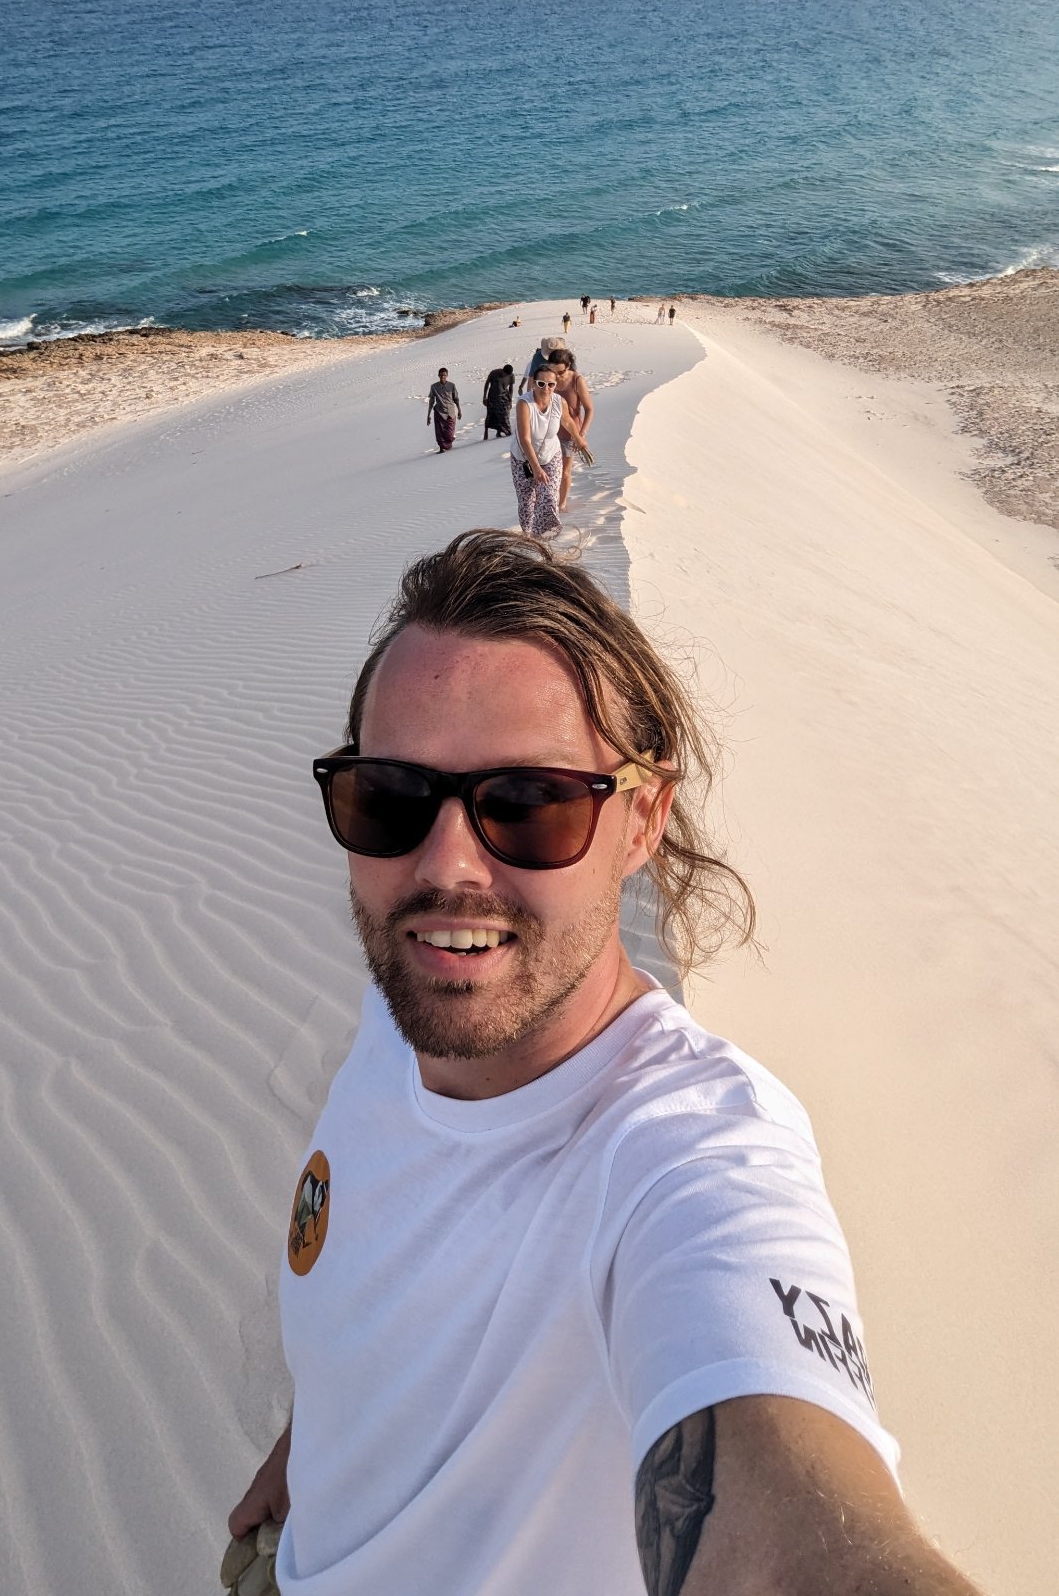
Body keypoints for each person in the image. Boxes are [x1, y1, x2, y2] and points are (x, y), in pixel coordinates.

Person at [229, 530, 982, 1596]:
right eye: (389, 795)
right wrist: (317, 1446)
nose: (445, 866)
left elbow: (785, 1523)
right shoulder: (408, 1011)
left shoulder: (689, 1158)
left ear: (642, 819)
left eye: (530, 804)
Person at [510, 367, 588, 537]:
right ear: (533, 385)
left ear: (556, 385)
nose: (546, 388)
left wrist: (578, 437)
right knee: (527, 502)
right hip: (523, 459)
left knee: (549, 497)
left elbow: (567, 421)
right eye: (541, 383)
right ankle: (528, 535)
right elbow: (525, 439)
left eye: (551, 384)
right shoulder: (525, 404)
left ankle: (546, 537)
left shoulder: (559, 402)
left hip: (551, 455)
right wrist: (536, 468)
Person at [546, 347, 594, 513]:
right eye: (554, 371)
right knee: (549, 471)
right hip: (548, 433)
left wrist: (581, 434)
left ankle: (562, 503)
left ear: (568, 366)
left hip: (569, 434)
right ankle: (550, 501)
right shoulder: (546, 378)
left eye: (561, 372)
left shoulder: (576, 380)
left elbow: (589, 409)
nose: (558, 376)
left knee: (565, 472)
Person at [426, 367, 461, 452]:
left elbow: (456, 398)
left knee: (449, 434)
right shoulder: (434, 387)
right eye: (441, 375)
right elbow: (431, 401)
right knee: (439, 432)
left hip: (450, 412)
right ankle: (442, 447)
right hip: (439, 411)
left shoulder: (452, 385)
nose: (443, 377)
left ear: (447, 375)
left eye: (444, 375)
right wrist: (428, 415)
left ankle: (448, 444)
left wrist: (459, 410)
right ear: (438, 375)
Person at [481, 364, 514, 440]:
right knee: (490, 414)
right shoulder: (494, 373)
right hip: (492, 396)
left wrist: (510, 400)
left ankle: (499, 432)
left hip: (504, 397)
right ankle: (486, 432)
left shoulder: (511, 375)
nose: (505, 375)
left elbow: (511, 388)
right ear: (503, 370)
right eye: (505, 374)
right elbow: (487, 384)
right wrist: (484, 397)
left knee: (505, 414)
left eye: (507, 374)